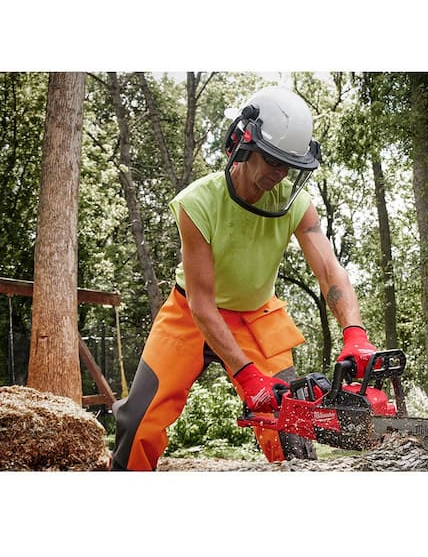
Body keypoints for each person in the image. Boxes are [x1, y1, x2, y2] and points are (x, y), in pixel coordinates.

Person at [111, 85, 379, 470]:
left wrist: (355, 333)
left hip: (256, 316)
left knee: (292, 433)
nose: (281, 173)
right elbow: (203, 305)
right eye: (273, 162)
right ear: (244, 147)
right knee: (138, 422)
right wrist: (247, 376)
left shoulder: (296, 205)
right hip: (191, 313)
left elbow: (328, 269)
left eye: (290, 165)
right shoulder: (197, 203)